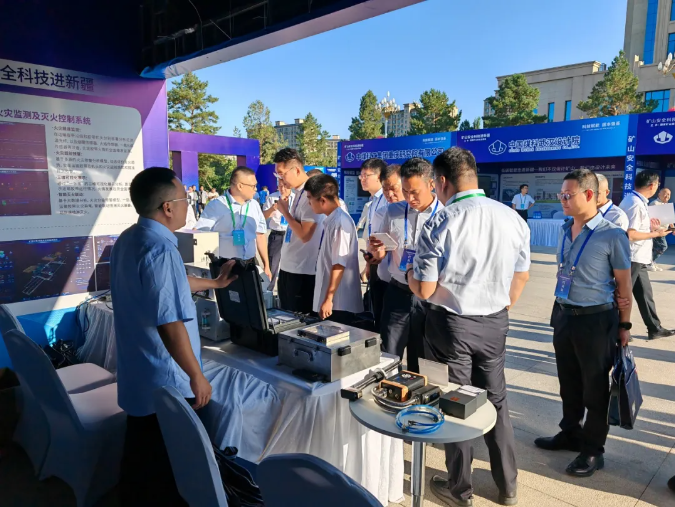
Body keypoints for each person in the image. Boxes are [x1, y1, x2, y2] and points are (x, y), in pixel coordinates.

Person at [408, 147, 530, 507]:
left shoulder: (440, 221)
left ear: (442, 181)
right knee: (496, 400)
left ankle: (460, 490)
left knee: (456, 402)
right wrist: (501, 306)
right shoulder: (511, 217)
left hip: (452, 325)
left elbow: (425, 289)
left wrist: (410, 275)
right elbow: (521, 276)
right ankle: (508, 484)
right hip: (495, 322)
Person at [111, 167, 239, 507]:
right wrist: (196, 375)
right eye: (184, 199)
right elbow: (170, 323)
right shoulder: (161, 249)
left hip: (139, 372)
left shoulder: (130, 239)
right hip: (165, 377)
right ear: (167, 207)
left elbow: (172, 283)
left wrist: (215, 283)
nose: (188, 206)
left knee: (140, 456)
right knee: (169, 465)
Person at [534, 169, 633, 479]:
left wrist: (625, 326)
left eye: (568, 195)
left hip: (596, 320)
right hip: (564, 315)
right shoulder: (565, 229)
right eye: (561, 195)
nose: (562, 200)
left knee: (595, 388)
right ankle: (570, 433)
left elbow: (624, 286)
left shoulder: (612, 235)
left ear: (589, 195)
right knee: (569, 383)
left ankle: (593, 450)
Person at [368, 159, 440, 372]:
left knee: (423, 360)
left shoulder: (445, 214)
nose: (410, 198)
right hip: (398, 292)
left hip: (430, 298)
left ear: (431, 184)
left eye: (415, 192)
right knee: (388, 355)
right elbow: (382, 251)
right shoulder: (393, 211)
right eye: (406, 192)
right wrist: (377, 252)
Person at [619, 171, 674, 340]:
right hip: (631, 257)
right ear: (652, 185)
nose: (657, 188)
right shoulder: (635, 203)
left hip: (639, 257)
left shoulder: (638, 201)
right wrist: (655, 234)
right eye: (658, 185)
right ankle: (617, 329)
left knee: (645, 294)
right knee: (623, 296)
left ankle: (654, 328)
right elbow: (630, 234)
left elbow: (636, 229)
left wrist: (652, 228)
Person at [305, 173, 363, 324]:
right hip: (333, 301)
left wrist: (329, 299)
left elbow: (339, 263)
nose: (308, 203)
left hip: (339, 304)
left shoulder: (340, 223)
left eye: (309, 199)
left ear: (322, 200)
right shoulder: (332, 219)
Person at [195, 167, 272, 279]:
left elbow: (260, 235)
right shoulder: (216, 205)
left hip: (250, 263)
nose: (255, 189)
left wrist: (266, 266)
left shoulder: (254, 205)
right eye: (253, 186)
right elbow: (200, 234)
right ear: (240, 186)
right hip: (225, 266)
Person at [274, 148, 325, 313]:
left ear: (296, 170)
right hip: (289, 267)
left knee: (299, 321)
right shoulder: (298, 192)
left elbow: (305, 235)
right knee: (285, 318)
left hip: (303, 272)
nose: (280, 179)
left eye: (282, 174)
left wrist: (285, 212)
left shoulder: (311, 194)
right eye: (277, 175)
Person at [365, 164, 404, 332]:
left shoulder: (417, 212)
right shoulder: (381, 212)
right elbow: (373, 240)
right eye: (385, 189)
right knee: (382, 326)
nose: (389, 194)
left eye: (393, 188)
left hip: (406, 282)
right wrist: (372, 257)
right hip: (382, 276)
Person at [263, 180, 294, 290]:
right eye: (280, 186)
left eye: (285, 186)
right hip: (277, 235)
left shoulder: (296, 198)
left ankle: (286, 292)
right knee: (273, 264)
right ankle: (269, 290)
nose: (282, 189)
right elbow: (263, 216)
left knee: (290, 265)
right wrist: (272, 208)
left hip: (291, 235)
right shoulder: (272, 197)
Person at [649, 187, 672, 271]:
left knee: (656, 247)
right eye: (665, 194)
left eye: (669, 194)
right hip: (657, 231)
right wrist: (654, 230)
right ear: (659, 194)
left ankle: (651, 262)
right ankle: (649, 262)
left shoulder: (666, 205)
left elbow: (670, 219)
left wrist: (673, 228)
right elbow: (651, 219)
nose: (667, 196)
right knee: (663, 246)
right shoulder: (655, 203)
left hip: (663, 231)